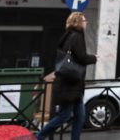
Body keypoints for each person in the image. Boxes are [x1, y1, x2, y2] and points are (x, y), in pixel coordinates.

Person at [37, 12, 97, 140]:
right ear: (78, 22)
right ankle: (39, 136)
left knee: (80, 116)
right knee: (63, 116)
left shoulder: (68, 35)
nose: (86, 23)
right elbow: (81, 57)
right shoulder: (76, 36)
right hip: (70, 84)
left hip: (73, 84)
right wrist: (94, 58)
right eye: (84, 20)